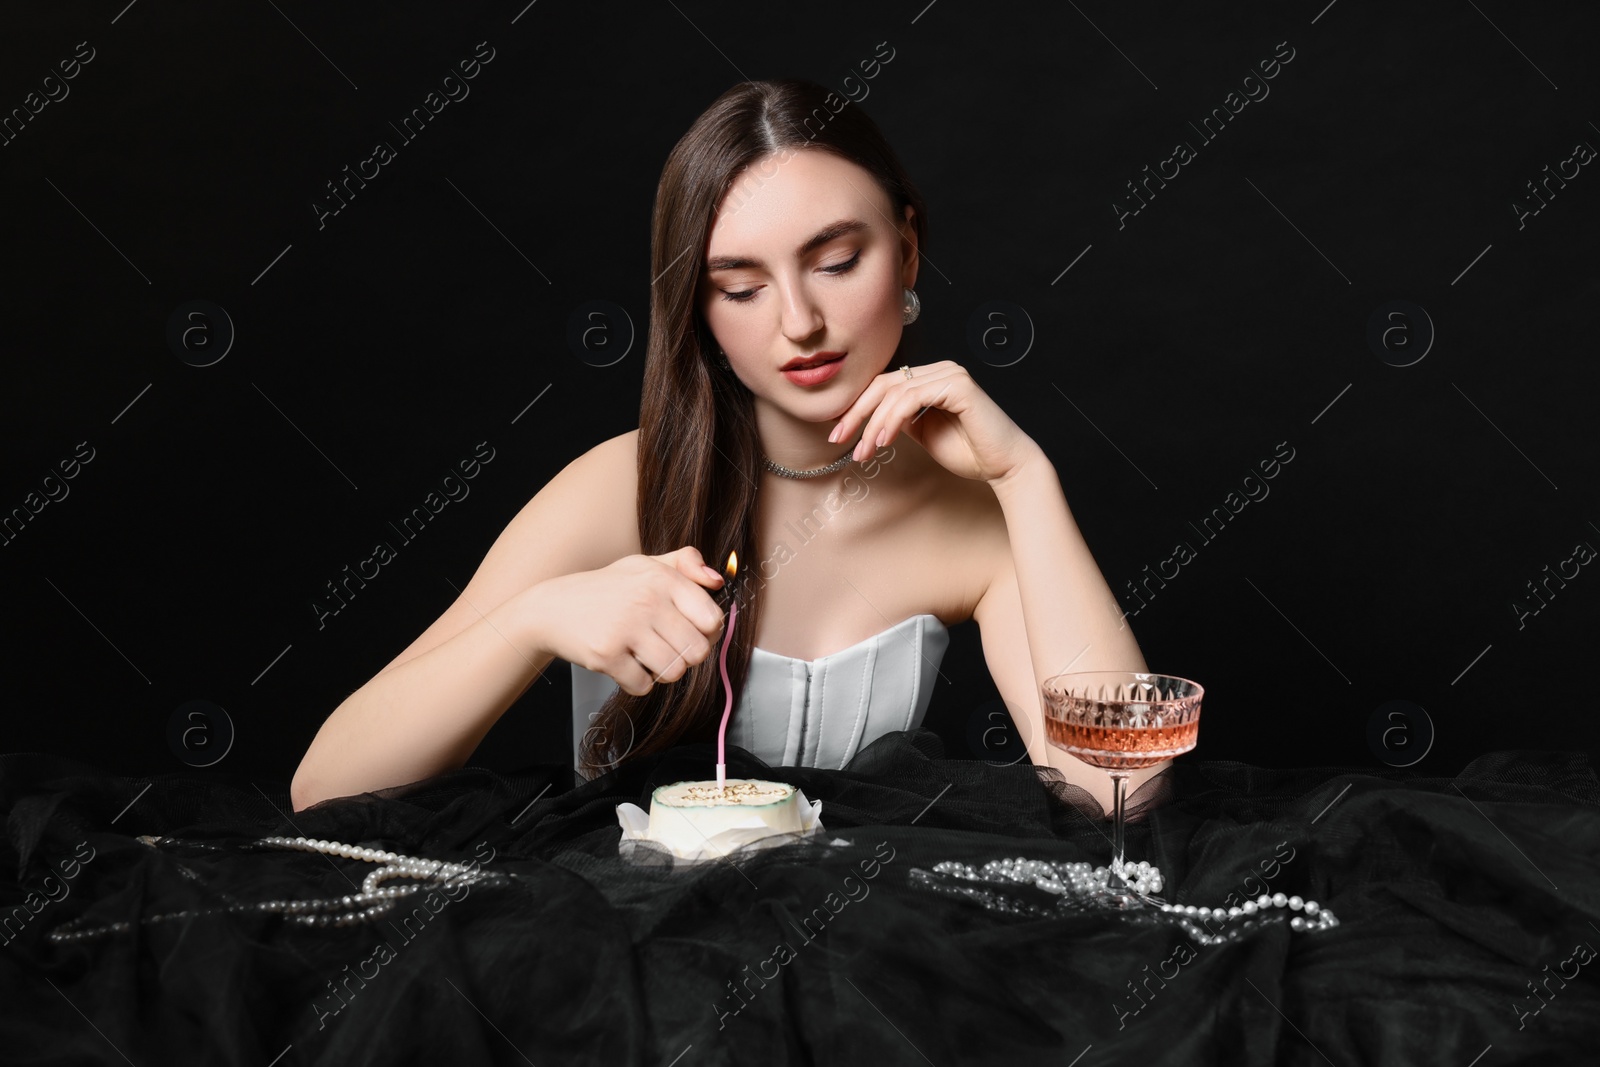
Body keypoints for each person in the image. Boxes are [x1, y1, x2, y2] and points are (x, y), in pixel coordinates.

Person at [290, 78, 1160, 815]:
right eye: (741, 287)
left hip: (854, 946)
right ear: (700, 313)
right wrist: (532, 620)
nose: (798, 323)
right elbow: (326, 788)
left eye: (836, 261)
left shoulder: (975, 516)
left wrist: (1026, 477)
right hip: (634, 952)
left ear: (908, 246)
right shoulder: (614, 489)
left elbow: (1123, 786)